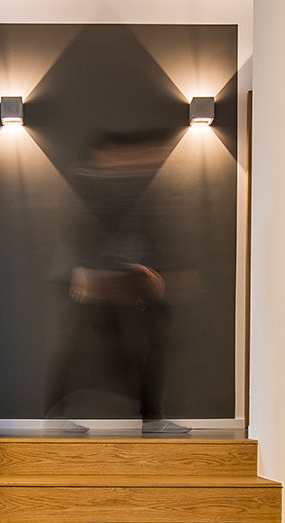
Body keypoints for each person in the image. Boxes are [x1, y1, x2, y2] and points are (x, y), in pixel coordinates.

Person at [45, 130, 190, 435]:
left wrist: (143, 277)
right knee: (81, 347)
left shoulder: (129, 194)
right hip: (88, 282)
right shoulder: (86, 190)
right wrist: (94, 276)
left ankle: (151, 418)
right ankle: (56, 414)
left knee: (149, 340)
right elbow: (81, 244)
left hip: (116, 282)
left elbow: (129, 239)